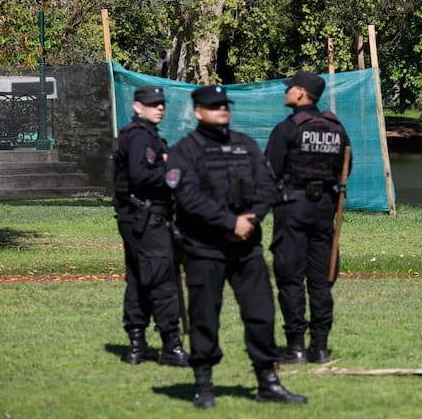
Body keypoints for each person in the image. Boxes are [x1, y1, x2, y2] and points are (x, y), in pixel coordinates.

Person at [166, 85, 307, 408]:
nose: (222, 110)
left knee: (261, 315)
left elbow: (267, 186)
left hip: (247, 247)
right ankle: (203, 383)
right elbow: (187, 198)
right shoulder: (185, 150)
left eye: (224, 105)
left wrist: (251, 219)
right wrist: (230, 223)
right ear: (198, 111)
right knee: (204, 317)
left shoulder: (245, 145)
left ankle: (267, 381)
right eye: (214, 106)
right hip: (205, 248)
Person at [264, 70, 351, 365]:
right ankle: (320, 348)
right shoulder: (336, 128)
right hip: (325, 209)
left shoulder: (287, 129)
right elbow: (344, 170)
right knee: (320, 280)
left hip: (292, 208)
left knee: (290, 278)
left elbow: (268, 173)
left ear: (301, 93)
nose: (285, 92)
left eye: (290, 88)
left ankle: (295, 348)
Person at [112, 86, 188, 367]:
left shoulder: (139, 135)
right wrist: (171, 169)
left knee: (139, 279)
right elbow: (142, 177)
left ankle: (136, 343)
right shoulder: (141, 137)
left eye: (161, 104)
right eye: (152, 104)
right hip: (146, 218)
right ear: (137, 107)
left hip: (135, 217)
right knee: (161, 280)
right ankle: (171, 344)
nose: (159, 108)